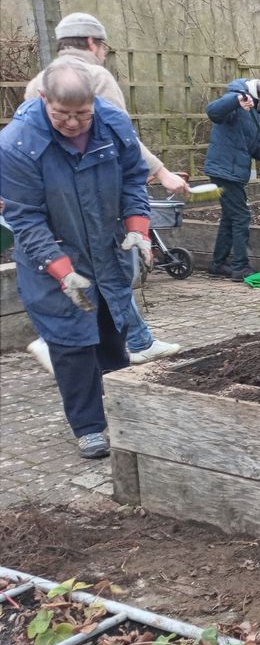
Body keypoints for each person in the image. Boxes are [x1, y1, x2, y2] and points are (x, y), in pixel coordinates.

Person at [0, 62, 152, 459]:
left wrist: (138, 227)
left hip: (106, 251)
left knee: (112, 335)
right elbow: (24, 216)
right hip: (51, 261)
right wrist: (61, 270)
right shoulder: (18, 143)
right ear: (43, 100)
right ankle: (89, 427)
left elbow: (134, 177)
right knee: (71, 346)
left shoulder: (113, 124)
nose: (72, 123)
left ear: (94, 103)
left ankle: (125, 414)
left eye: (82, 114)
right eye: (61, 114)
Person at [22, 11, 183, 371]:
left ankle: (136, 340)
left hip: (55, 196)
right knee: (111, 269)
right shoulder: (96, 76)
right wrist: (160, 172)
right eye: (105, 47)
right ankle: (58, 341)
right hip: (95, 191)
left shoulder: (40, 80)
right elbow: (122, 138)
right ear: (94, 43)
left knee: (81, 270)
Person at [204, 79, 260, 281]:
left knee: (230, 217)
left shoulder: (255, 112)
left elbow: (255, 145)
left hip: (235, 171)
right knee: (241, 216)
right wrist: (237, 99)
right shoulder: (235, 99)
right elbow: (213, 112)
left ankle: (218, 263)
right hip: (224, 170)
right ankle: (240, 267)